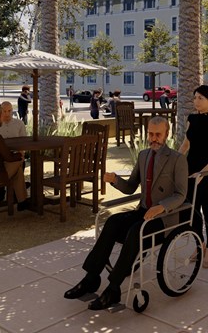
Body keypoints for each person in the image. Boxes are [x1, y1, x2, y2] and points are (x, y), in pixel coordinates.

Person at [63, 117, 188, 310]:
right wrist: (115, 180)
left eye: (158, 135)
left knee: (135, 232)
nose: (153, 139)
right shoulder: (143, 155)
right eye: (151, 134)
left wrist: (161, 206)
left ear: (167, 134)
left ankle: (113, 289)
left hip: (164, 218)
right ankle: (91, 279)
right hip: (144, 212)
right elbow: (131, 187)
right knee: (113, 222)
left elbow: (181, 194)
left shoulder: (177, 160)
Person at [179, 85, 208, 268]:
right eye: (195, 97)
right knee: (193, 211)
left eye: (200, 98)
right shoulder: (191, 118)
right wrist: (174, 162)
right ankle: (199, 245)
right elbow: (185, 146)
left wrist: (203, 173)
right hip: (190, 172)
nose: (196, 101)